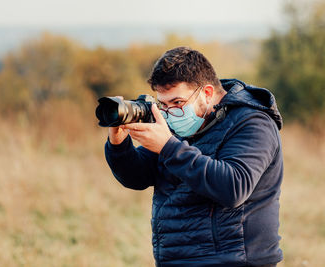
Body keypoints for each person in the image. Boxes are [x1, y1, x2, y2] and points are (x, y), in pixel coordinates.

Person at [104, 47, 283, 267]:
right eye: (163, 105)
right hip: (176, 258)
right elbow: (137, 177)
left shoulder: (252, 122)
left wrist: (168, 147)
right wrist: (119, 144)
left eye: (178, 103)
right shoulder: (177, 123)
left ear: (207, 93)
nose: (170, 112)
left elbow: (234, 187)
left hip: (234, 260)